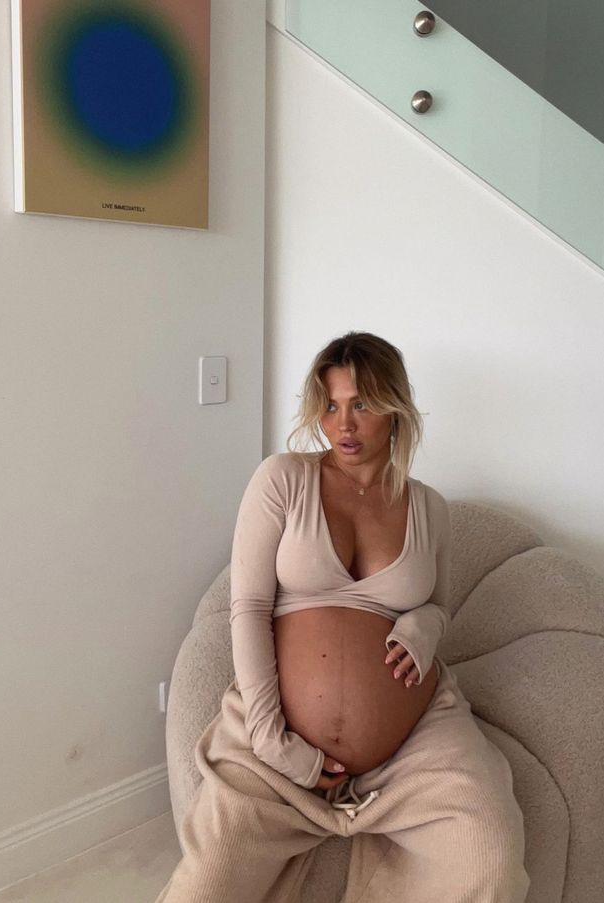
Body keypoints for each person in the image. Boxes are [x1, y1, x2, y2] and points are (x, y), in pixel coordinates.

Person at [155, 332, 530, 903]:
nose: (344, 424)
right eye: (331, 405)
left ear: (396, 409)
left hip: (415, 739)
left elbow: (439, 604)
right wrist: (272, 739)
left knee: (490, 856)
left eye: (363, 404)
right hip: (275, 736)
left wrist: (425, 626)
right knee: (204, 887)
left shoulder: (428, 506)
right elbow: (249, 607)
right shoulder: (283, 479)